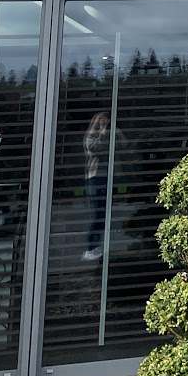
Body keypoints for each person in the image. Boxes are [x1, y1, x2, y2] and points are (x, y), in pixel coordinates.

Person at [82, 111, 110, 264]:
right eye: (101, 119)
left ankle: (100, 245)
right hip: (95, 178)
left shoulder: (110, 134)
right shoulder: (91, 136)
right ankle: (91, 248)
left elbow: (124, 144)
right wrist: (104, 132)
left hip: (108, 177)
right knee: (98, 212)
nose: (104, 121)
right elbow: (95, 148)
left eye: (106, 119)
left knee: (105, 213)